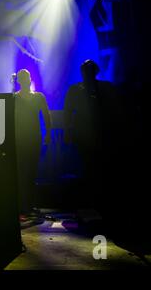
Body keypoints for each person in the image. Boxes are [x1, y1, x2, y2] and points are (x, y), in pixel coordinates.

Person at [63, 60, 122, 208]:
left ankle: (99, 201)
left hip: (102, 133)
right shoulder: (77, 89)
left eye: (89, 70)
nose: (87, 73)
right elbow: (68, 111)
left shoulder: (105, 88)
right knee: (87, 166)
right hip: (85, 133)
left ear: (94, 71)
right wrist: (68, 130)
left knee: (99, 167)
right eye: (85, 70)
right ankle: (91, 201)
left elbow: (115, 111)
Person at [14, 69, 51, 217]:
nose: (24, 79)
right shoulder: (13, 97)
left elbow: (46, 116)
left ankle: (29, 205)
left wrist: (48, 134)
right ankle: (22, 205)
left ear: (30, 79)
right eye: (21, 77)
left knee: (31, 172)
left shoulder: (38, 97)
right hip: (19, 138)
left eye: (26, 77)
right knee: (21, 172)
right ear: (18, 81)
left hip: (34, 138)